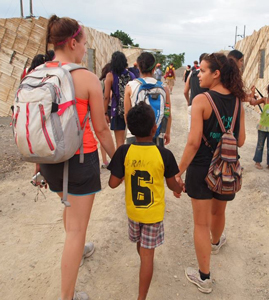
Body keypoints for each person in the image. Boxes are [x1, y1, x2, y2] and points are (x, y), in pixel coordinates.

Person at [38, 15, 115, 300]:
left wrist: (38, 165)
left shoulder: (38, 73)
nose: (85, 49)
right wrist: (118, 160)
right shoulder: (84, 78)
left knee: (69, 209)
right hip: (80, 161)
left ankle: (79, 247)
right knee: (76, 229)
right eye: (84, 44)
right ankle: (66, 296)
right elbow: (102, 129)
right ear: (72, 42)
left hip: (48, 159)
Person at [174, 53, 246, 293]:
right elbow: (242, 140)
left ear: (216, 73)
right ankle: (216, 243)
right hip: (226, 167)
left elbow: (193, 143)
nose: (198, 74)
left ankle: (204, 278)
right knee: (219, 212)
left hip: (201, 168)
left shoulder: (201, 101)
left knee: (200, 223)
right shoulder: (237, 101)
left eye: (203, 70)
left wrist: (178, 171)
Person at [108, 102, 183, 300]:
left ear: (130, 129)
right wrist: (179, 189)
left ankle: (144, 265)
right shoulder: (163, 154)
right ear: (154, 128)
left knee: (140, 244)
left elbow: (113, 183)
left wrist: (123, 170)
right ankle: (141, 297)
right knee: (148, 255)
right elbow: (172, 184)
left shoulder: (124, 151)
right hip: (153, 214)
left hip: (134, 212)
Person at [124, 52, 171, 147]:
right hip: (157, 134)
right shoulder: (164, 88)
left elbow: (126, 114)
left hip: (134, 136)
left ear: (139, 68)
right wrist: (167, 132)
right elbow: (167, 114)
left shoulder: (130, 86)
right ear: (154, 69)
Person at [104, 51, 135, 148]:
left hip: (117, 111)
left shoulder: (110, 75)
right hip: (131, 111)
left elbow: (106, 97)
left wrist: (105, 113)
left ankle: (121, 162)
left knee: (120, 142)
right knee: (131, 140)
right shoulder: (131, 75)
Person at [184, 54, 208, 131]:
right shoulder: (210, 75)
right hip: (206, 107)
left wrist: (188, 102)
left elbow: (185, 91)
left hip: (193, 105)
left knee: (192, 131)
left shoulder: (192, 73)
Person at [250, 84, 269, 169]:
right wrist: (253, 92)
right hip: (262, 127)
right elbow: (253, 103)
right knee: (260, 145)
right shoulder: (265, 99)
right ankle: (257, 162)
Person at [99, 62, 112, 169]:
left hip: (101, 109)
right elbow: (108, 97)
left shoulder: (100, 82)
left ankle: (104, 160)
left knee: (102, 135)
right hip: (109, 109)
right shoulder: (110, 81)